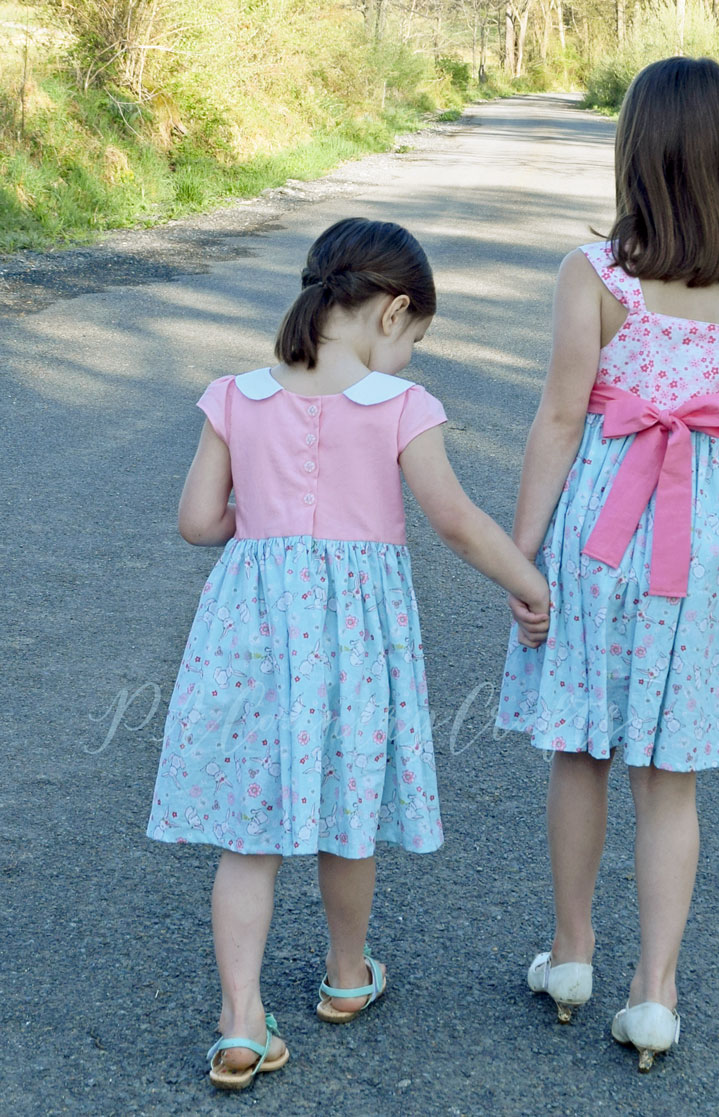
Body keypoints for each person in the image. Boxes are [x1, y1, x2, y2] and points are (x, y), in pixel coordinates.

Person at [147, 217, 549, 1090]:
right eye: (418, 338)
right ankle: (345, 975)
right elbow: (454, 519)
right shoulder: (401, 406)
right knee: (349, 807)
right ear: (394, 311)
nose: (411, 355)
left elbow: (195, 522)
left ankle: (241, 1020)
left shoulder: (236, 395)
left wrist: (259, 526)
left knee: (248, 829)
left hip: (251, 632)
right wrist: (530, 583)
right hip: (355, 641)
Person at [496, 57, 719, 1072]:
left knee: (581, 749)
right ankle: (655, 993)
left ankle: (572, 952)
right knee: (671, 780)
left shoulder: (593, 275)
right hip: (707, 544)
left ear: (632, 151)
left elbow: (558, 417)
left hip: (601, 531)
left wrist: (522, 557)